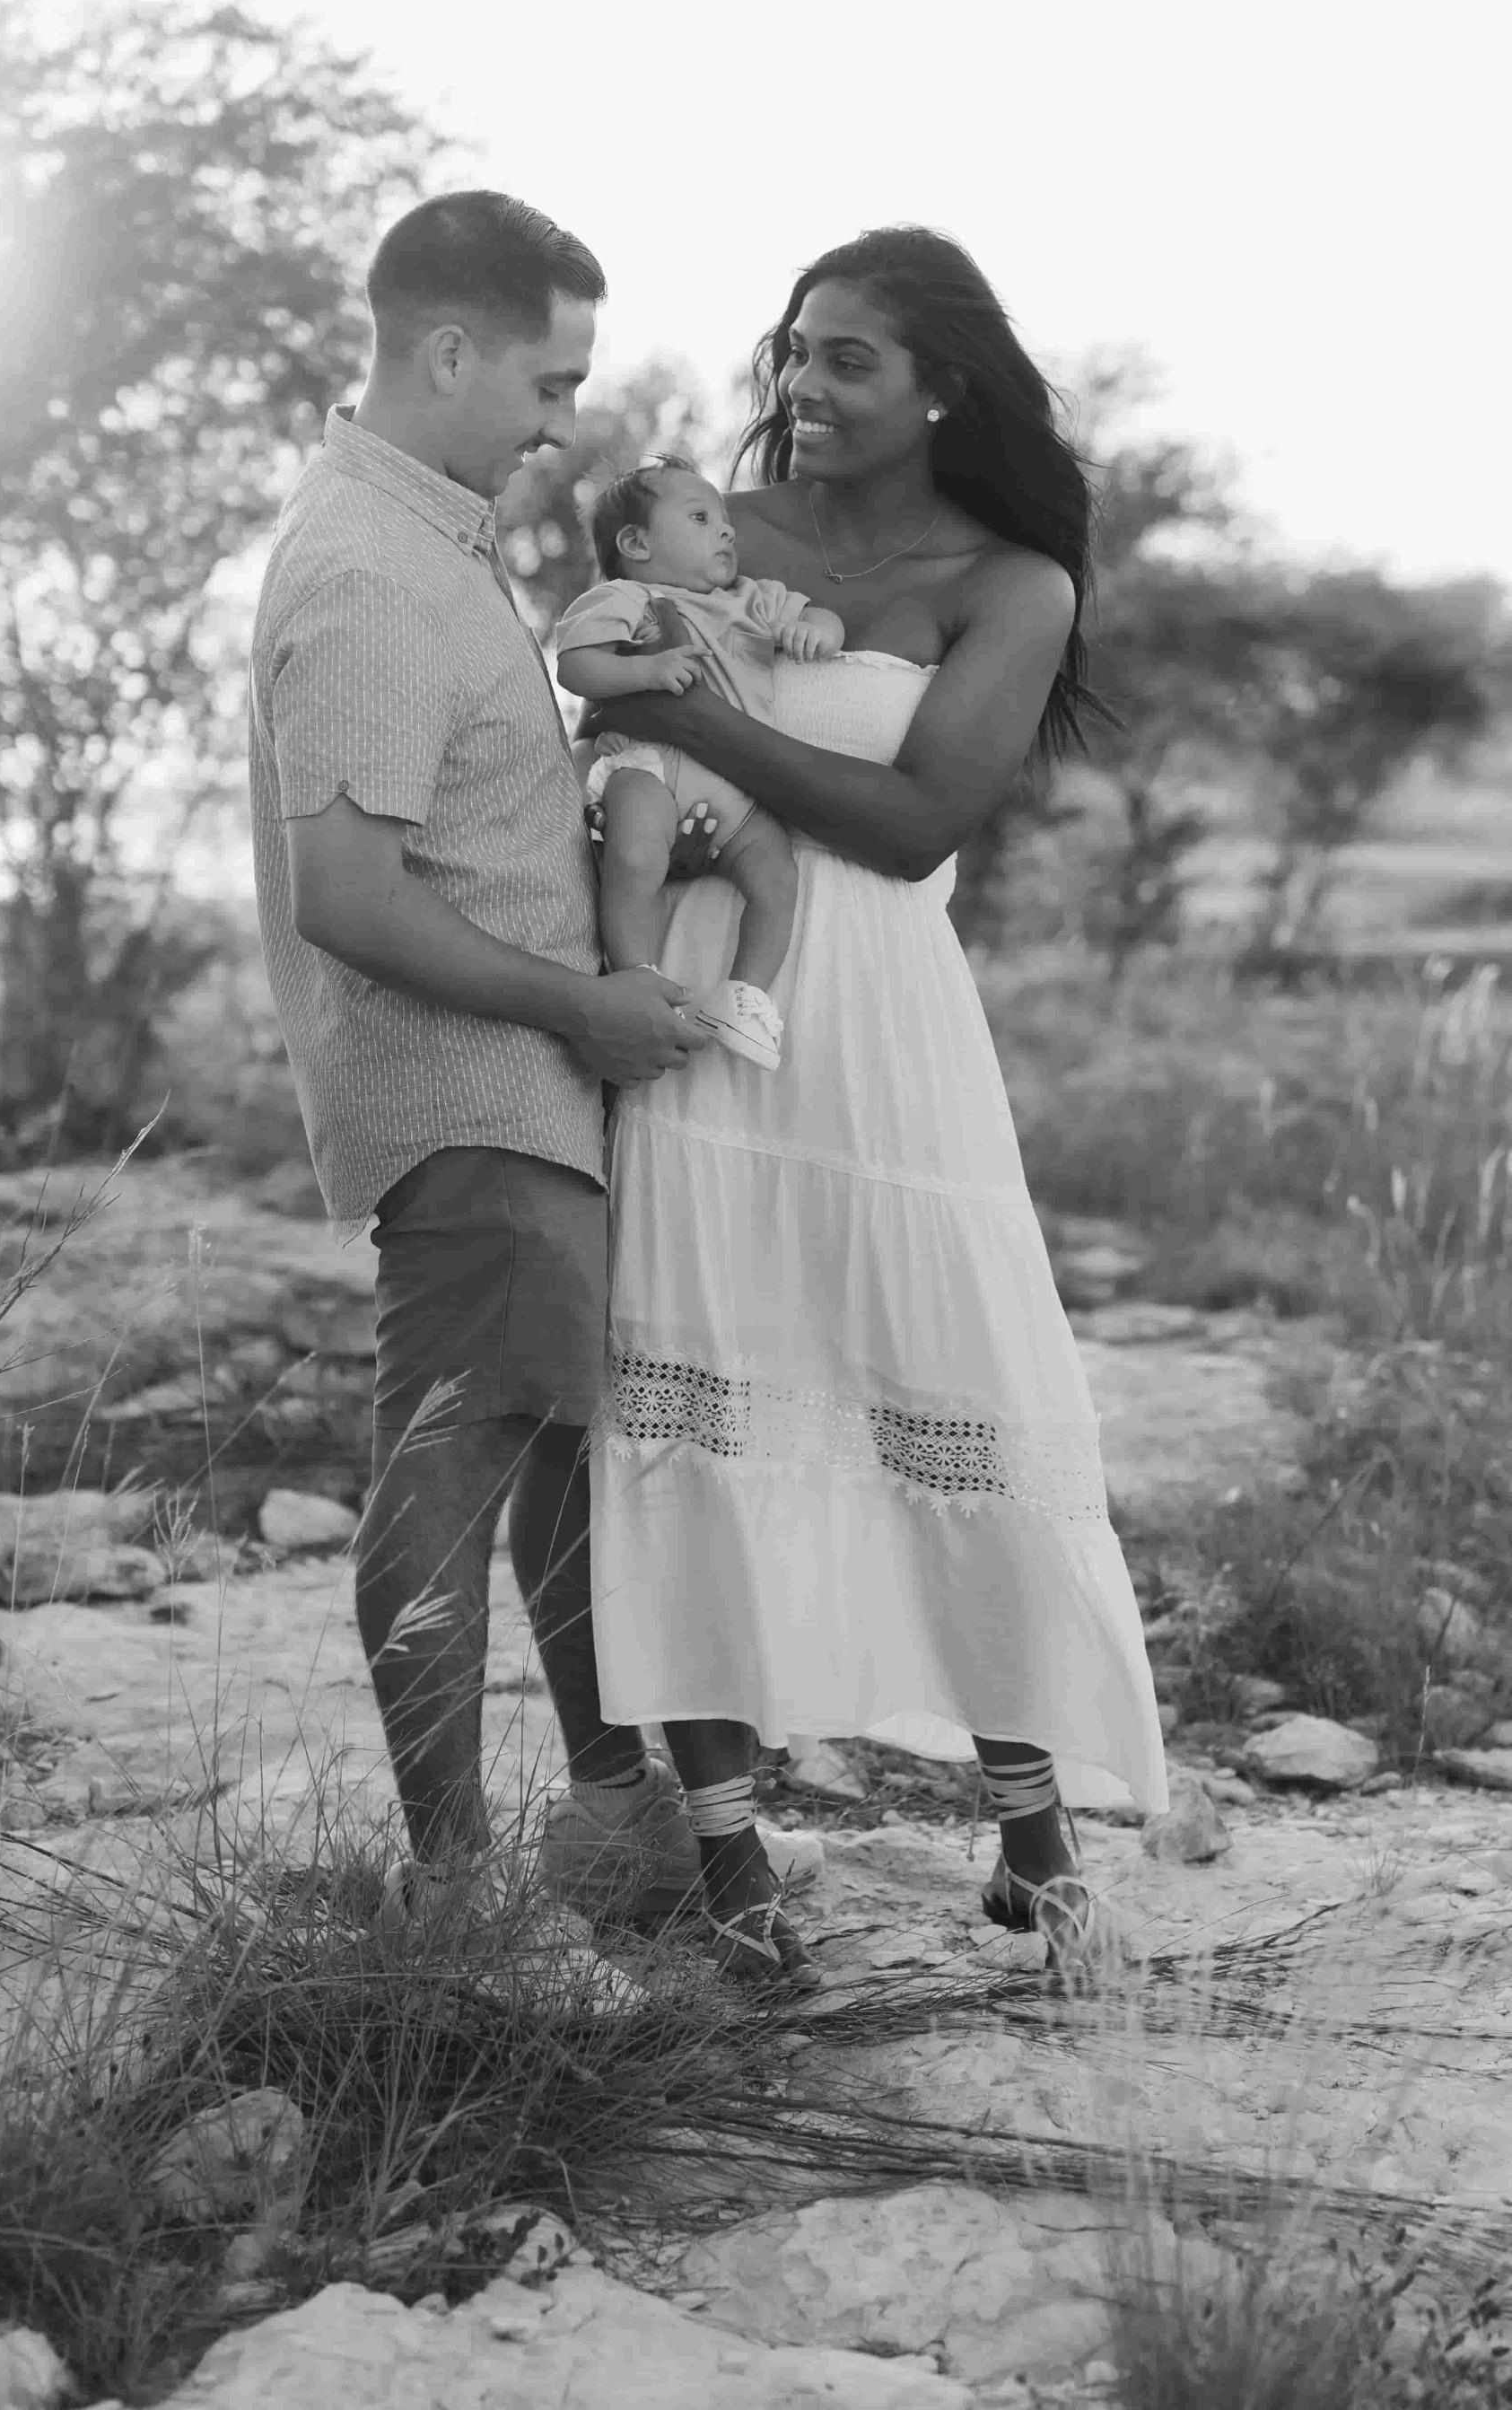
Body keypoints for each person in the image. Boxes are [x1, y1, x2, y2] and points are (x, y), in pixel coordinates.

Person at [583, 226, 1169, 1985]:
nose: (802, 385)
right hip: (700, 1008)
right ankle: (727, 1852)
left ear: (941, 389)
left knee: (949, 1390)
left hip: (887, 1030)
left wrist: (702, 720)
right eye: (793, 349)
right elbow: (585, 695)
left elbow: (917, 823)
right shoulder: (710, 536)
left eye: (848, 357)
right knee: (685, 1397)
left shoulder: (1008, 584)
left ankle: (1035, 1842)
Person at [248, 189, 714, 1948]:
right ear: (448, 351)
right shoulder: (368, 574)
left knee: (554, 1454)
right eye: (547, 382)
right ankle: (455, 1900)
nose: (560, 425)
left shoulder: (426, 543)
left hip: (524, 1096)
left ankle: (611, 1821)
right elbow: (352, 896)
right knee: (450, 1462)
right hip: (472, 1095)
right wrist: (579, 1006)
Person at [555, 458, 843, 1071]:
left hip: (738, 788)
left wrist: (820, 631)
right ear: (636, 544)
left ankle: (746, 995)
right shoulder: (630, 598)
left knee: (776, 875)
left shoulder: (751, 600)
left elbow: (818, 613)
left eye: (724, 519)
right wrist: (646, 669)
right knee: (635, 856)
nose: (726, 529)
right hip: (651, 766)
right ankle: (637, 973)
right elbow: (576, 666)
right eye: (700, 518)